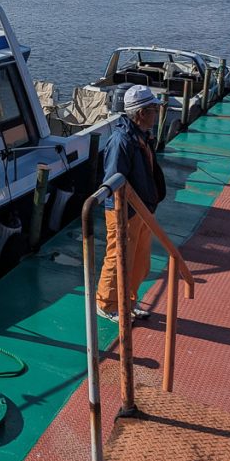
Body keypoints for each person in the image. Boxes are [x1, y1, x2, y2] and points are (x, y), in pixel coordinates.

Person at [95, 85, 167, 323]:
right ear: (140, 113)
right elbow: (113, 178)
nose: (156, 113)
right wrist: (122, 211)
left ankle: (128, 301)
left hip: (143, 209)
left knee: (140, 260)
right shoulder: (122, 140)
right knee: (118, 258)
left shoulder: (141, 136)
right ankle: (106, 304)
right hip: (124, 211)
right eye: (153, 109)